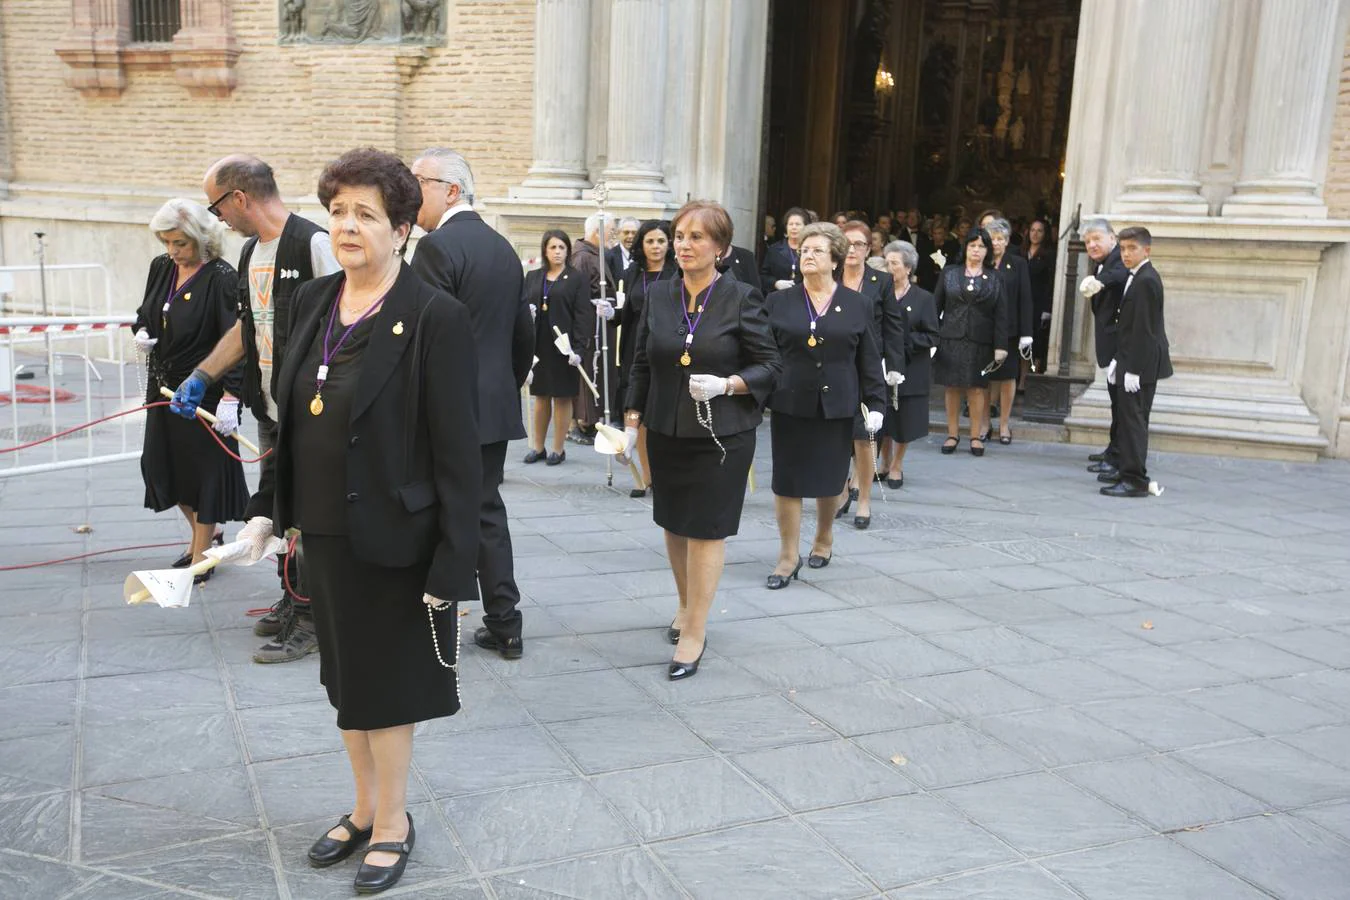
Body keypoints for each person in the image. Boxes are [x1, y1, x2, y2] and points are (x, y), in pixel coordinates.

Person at [237, 148, 481, 894]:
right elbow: (292, 420)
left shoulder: (434, 316)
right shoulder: (314, 302)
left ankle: (394, 821)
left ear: (402, 229)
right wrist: (266, 513)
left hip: (396, 538)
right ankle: (363, 805)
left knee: (388, 686)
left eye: (365, 214)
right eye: (338, 209)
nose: (346, 225)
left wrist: (452, 565)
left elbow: (458, 454)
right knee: (344, 682)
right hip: (325, 533)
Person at [171, 154, 341, 665]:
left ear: (239, 198)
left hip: (312, 413)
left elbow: (347, 324)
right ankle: (293, 600)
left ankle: (312, 621)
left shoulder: (313, 244)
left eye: (216, 204)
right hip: (271, 411)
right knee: (277, 512)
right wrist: (202, 376)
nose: (215, 215)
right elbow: (248, 329)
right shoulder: (249, 254)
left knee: (309, 516)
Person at [624, 200, 780, 680]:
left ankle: (696, 630)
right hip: (667, 429)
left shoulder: (741, 297)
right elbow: (643, 361)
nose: (684, 245)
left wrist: (729, 384)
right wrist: (631, 423)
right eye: (679, 235)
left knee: (706, 529)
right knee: (673, 523)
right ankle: (686, 604)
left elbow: (770, 364)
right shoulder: (661, 294)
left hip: (721, 435)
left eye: (696, 237)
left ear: (721, 248)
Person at [409, 147, 532, 660]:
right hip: (495, 404)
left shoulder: (436, 248)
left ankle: (436, 624)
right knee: (485, 512)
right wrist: (502, 385)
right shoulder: (503, 247)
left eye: (419, 181)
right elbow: (523, 336)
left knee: (437, 512)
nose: (410, 192)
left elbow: (428, 336)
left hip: (449, 406)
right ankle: (505, 622)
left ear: (450, 190)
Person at [766, 222, 885, 586]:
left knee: (830, 482)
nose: (809, 256)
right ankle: (788, 555)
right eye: (804, 250)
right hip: (790, 402)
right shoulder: (778, 301)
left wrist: (876, 402)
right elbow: (765, 355)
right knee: (787, 482)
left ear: (835, 259)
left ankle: (823, 537)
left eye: (817, 250)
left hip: (838, 406)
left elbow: (868, 357)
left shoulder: (857, 304)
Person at [135, 199, 248, 579]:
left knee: (205, 476)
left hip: (204, 392)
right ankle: (209, 534)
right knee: (162, 467)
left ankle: (201, 556)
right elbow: (146, 312)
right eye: (166, 242)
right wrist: (142, 332)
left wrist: (233, 398)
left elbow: (238, 340)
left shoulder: (221, 278)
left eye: (180, 243)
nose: (172, 251)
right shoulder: (161, 267)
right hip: (161, 387)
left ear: (201, 239)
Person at [1101, 226, 1171, 498]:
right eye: (1123, 248)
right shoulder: (1138, 276)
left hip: (1140, 367)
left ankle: (1135, 480)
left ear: (1147, 250)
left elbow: (1144, 330)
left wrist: (1134, 370)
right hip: (1131, 360)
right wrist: (1120, 359)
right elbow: (1128, 327)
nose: (1126, 253)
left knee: (1134, 422)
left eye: (1132, 248)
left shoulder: (1146, 280)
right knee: (1130, 420)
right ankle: (1127, 471)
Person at [833, 220, 894, 528]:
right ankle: (843, 489)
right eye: (848, 244)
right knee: (838, 432)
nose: (853, 250)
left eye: (859, 244)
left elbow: (893, 327)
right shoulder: (829, 276)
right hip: (835, 365)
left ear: (869, 249)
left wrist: (894, 367)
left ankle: (865, 500)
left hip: (869, 365)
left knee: (865, 434)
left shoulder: (881, 281)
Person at [933, 228, 1007, 457]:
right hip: (951, 337)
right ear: (966, 248)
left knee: (977, 389)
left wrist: (1001, 345)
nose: (976, 250)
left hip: (980, 339)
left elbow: (1002, 314)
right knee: (952, 387)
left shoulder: (995, 278)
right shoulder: (949, 273)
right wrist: (931, 337)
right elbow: (936, 307)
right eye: (973, 245)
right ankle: (952, 434)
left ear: (988, 251)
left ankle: (975, 436)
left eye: (981, 246)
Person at [618, 220, 677, 496]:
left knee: (662, 412)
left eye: (661, 241)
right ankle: (645, 477)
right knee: (637, 414)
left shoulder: (677, 273)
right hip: (635, 349)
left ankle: (666, 474)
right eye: (650, 241)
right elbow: (627, 315)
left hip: (667, 349)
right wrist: (610, 314)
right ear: (642, 245)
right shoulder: (634, 273)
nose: (655, 246)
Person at [522, 230, 587, 466]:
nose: (557, 252)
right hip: (539, 343)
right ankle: (537, 446)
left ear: (568, 251)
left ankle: (558, 449)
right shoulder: (533, 276)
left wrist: (579, 349)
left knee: (561, 397)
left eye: (562, 247)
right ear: (545, 251)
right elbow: (522, 305)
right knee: (540, 397)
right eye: (553, 247)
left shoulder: (576, 278)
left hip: (564, 346)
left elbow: (583, 315)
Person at [877, 240, 938, 488]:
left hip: (911, 367)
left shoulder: (924, 298)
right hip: (882, 365)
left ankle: (897, 465)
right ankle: (884, 461)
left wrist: (903, 341)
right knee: (884, 418)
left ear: (908, 268)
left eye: (894, 263)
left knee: (905, 419)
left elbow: (932, 335)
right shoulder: (879, 293)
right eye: (886, 263)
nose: (889, 268)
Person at [1079, 218, 1129, 476]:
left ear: (1113, 238)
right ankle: (1113, 449)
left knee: (1122, 405)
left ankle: (1119, 456)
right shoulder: (1102, 265)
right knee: (1115, 403)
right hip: (1110, 348)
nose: (1091, 244)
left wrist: (1098, 282)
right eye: (1087, 241)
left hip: (1121, 349)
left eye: (1097, 239)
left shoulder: (1118, 261)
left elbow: (1119, 276)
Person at [568, 213, 616, 441]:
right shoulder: (583, 258)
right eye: (611, 231)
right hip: (589, 330)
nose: (614, 236)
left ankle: (590, 421)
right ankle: (582, 423)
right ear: (598, 232)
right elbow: (578, 296)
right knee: (588, 373)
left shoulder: (594, 254)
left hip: (598, 325)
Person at [985, 218, 1033, 444]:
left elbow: (1025, 299)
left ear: (1006, 241)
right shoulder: (978, 261)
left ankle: (1004, 424)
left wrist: (1027, 333)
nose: (995, 243)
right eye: (992, 238)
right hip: (982, 330)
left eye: (1000, 238)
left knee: (1007, 378)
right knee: (983, 379)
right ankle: (984, 422)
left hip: (1010, 331)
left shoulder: (1018, 263)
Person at [1025, 217, 1055, 372]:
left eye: (1039, 231)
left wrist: (1048, 309)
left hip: (1039, 304)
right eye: (1032, 230)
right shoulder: (1021, 253)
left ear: (1045, 234)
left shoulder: (1049, 255)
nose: (1035, 234)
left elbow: (1050, 283)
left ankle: (1033, 377)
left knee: (1037, 342)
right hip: (1022, 304)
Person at [761, 206, 807, 292]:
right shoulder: (774, 249)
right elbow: (763, 276)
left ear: (805, 226)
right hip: (779, 296)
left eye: (797, 224)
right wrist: (775, 283)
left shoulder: (810, 250)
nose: (794, 227)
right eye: (790, 224)